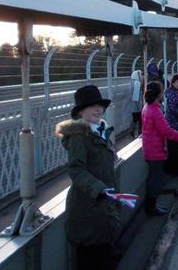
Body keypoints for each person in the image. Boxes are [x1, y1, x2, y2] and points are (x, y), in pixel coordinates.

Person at [55, 85, 121, 270]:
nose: (98, 109)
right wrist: (97, 188)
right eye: (92, 105)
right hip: (88, 208)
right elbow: (76, 170)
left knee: (103, 254)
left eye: (100, 105)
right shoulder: (78, 136)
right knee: (90, 259)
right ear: (81, 111)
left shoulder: (99, 130)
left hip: (103, 205)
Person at [141, 81, 178, 216]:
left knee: (153, 177)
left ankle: (150, 206)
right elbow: (166, 131)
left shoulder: (147, 107)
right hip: (155, 149)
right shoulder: (155, 110)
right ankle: (151, 208)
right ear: (159, 94)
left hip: (150, 147)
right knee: (156, 179)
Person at [127, 70, 144, 137]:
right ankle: (139, 132)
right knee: (139, 119)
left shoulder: (131, 82)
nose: (142, 76)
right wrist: (140, 106)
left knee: (135, 118)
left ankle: (132, 131)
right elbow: (136, 97)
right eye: (141, 74)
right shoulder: (137, 83)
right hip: (137, 106)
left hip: (132, 105)